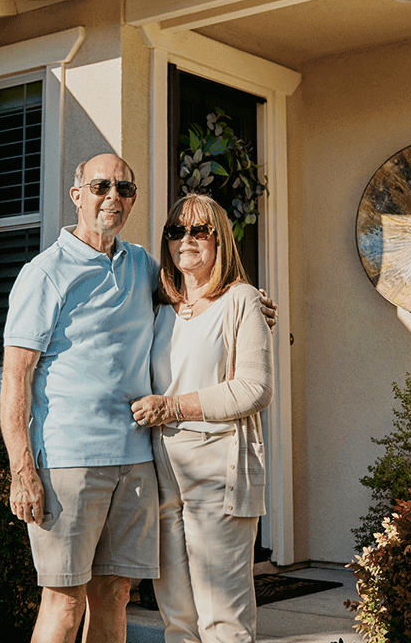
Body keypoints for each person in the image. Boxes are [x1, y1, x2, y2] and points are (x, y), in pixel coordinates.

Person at [0, 153, 158, 643]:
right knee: (64, 600)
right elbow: (15, 378)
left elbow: (197, 296)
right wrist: (22, 471)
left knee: (115, 594)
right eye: (101, 186)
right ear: (77, 196)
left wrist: (247, 303)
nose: (113, 196)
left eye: (125, 189)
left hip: (135, 456)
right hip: (69, 461)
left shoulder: (141, 265)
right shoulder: (45, 273)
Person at [130, 193, 274, 643]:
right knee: (177, 619)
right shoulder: (158, 310)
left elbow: (255, 389)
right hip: (162, 473)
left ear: (220, 239)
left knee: (223, 620)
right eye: (176, 231)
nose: (185, 240)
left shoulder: (241, 301)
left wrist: (172, 407)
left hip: (219, 471)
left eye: (199, 230)